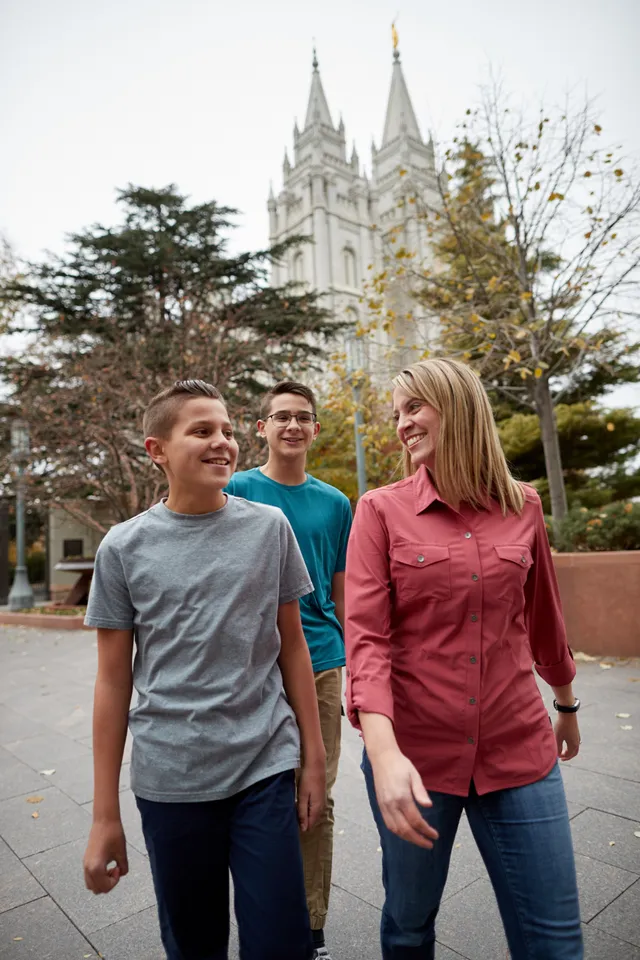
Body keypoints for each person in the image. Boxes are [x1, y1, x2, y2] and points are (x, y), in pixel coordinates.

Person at [345, 359, 583, 960]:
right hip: (415, 757)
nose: (402, 424)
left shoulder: (524, 506)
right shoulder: (378, 509)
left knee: (556, 941)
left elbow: (544, 620)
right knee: (408, 924)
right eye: (397, 412)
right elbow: (366, 639)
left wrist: (566, 703)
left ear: (456, 405)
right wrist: (385, 752)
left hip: (519, 747)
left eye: (413, 407)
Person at [82, 379, 326, 960]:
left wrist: (312, 760)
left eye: (225, 430)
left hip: (263, 765)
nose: (222, 443)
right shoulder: (122, 547)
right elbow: (114, 680)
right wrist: (102, 815)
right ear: (156, 449)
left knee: (281, 943)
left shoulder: (269, 528)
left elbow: (293, 646)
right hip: (171, 779)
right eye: (201, 431)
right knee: (195, 944)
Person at [226, 381, 353, 960]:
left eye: (303, 417)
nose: (292, 426)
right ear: (262, 427)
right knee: (258, 794)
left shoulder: (336, 504)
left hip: (322, 661)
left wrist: (359, 665)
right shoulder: (237, 487)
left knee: (314, 795)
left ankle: (311, 925)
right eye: (281, 417)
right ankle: (264, 908)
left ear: (316, 429)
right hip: (253, 663)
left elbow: (341, 591)